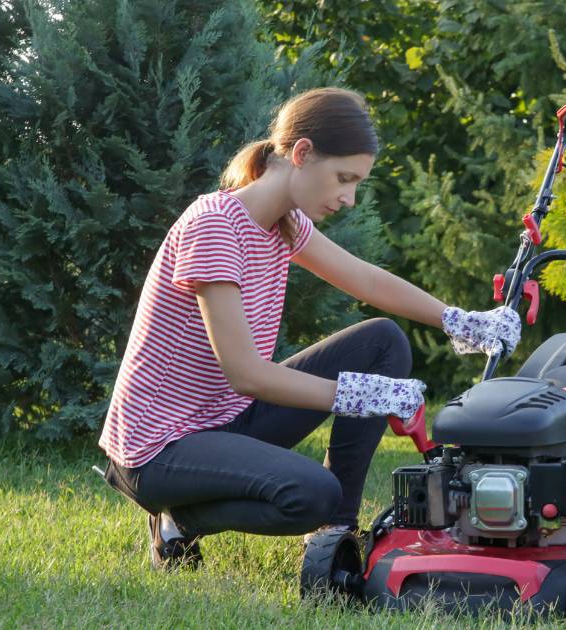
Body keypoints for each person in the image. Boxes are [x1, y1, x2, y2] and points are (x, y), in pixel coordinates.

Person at [97, 87, 521, 571]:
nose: (349, 198)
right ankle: (177, 521)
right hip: (159, 449)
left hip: (226, 420)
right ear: (301, 153)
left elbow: (365, 279)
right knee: (312, 493)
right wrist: (360, 396)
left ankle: (336, 534)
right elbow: (246, 374)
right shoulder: (214, 226)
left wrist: (459, 319)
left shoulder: (285, 223)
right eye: (344, 178)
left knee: (382, 341)